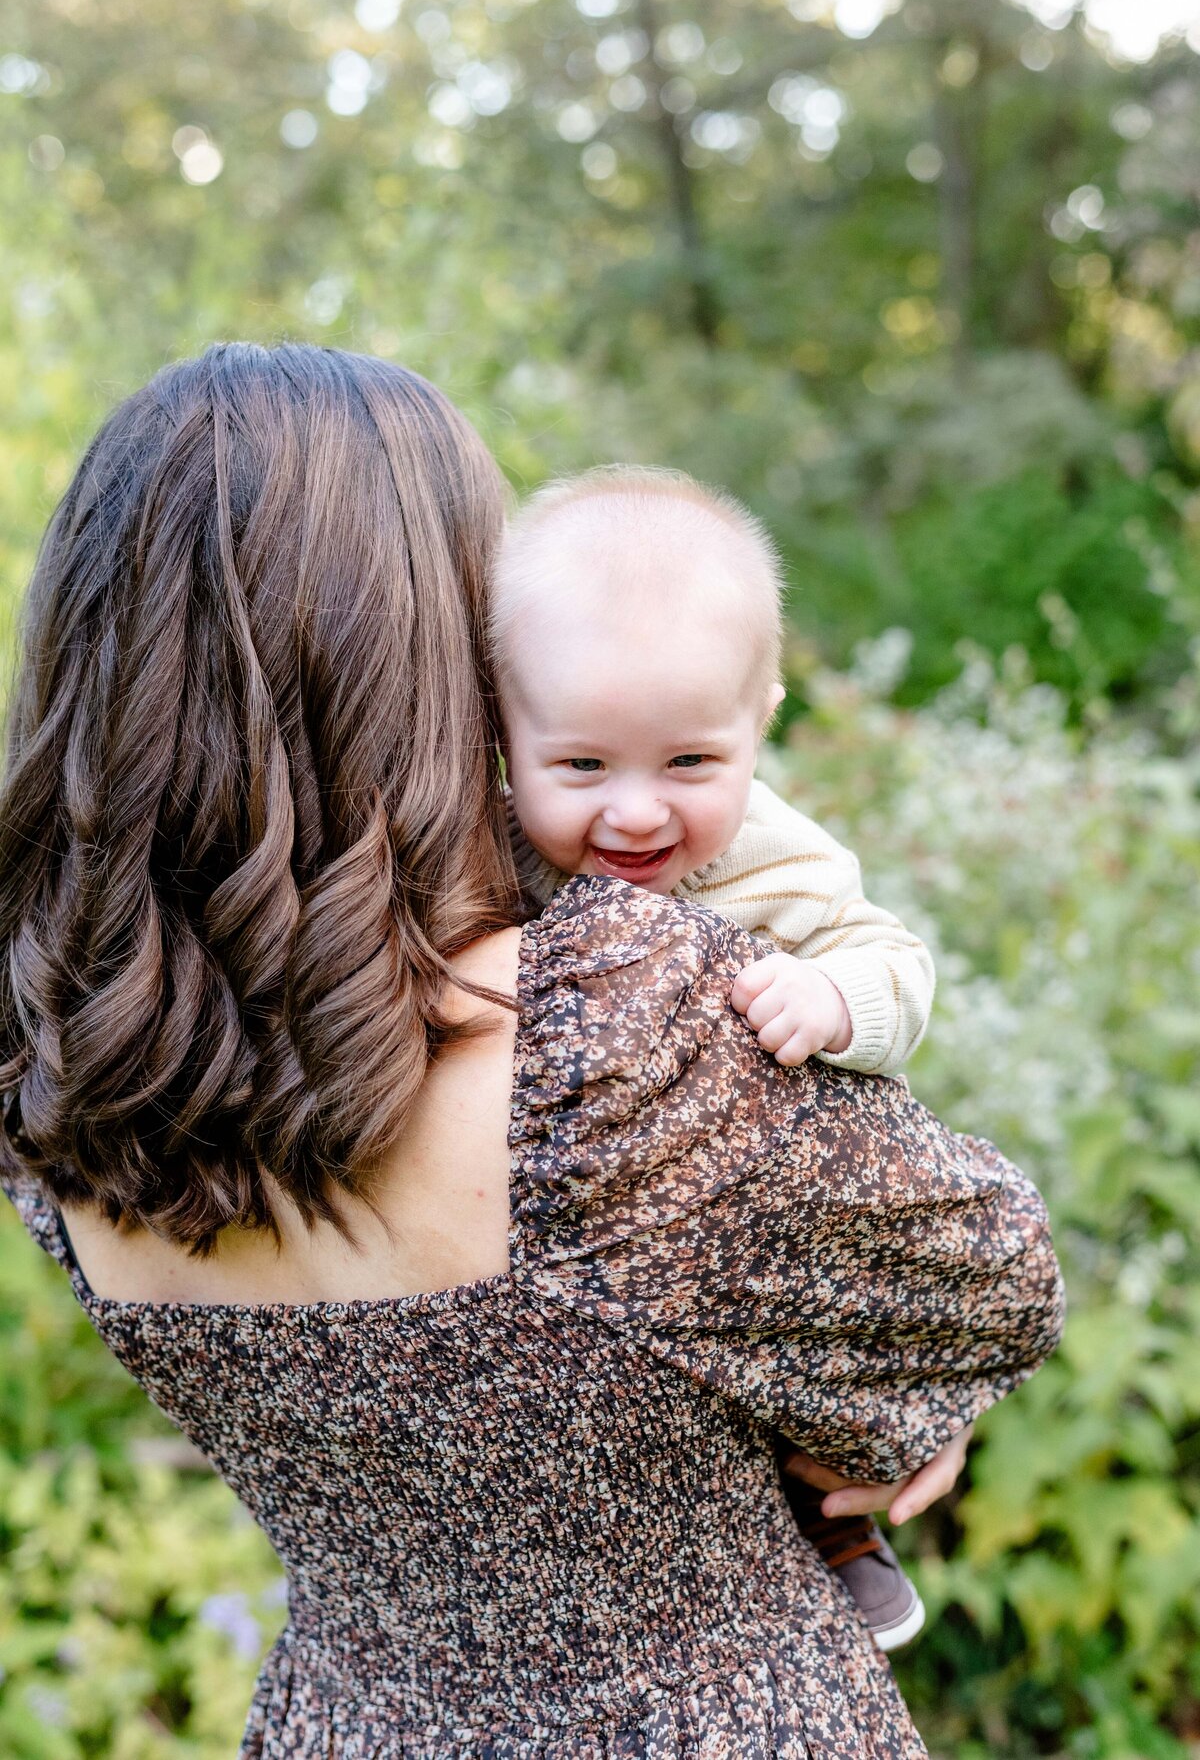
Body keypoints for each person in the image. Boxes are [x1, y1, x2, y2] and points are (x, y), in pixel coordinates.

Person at [0, 343, 1065, 1760]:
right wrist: (884, 1412)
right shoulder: (602, 1027)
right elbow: (992, 1281)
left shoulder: (59, 1070)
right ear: (441, 643)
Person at [492, 464, 936, 1647]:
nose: (636, 815)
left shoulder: (782, 863)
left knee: (815, 1314)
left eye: (691, 764)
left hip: (763, 1189)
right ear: (505, 728)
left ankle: (833, 1513)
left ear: (762, 721)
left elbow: (898, 965)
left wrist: (833, 998)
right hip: (585, 1215)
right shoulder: (492, 853)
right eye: (582, 766)